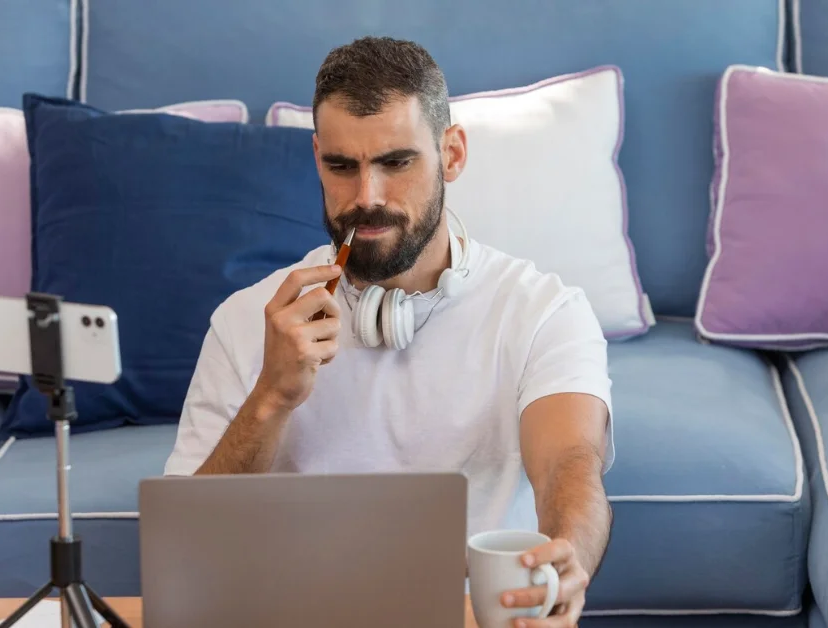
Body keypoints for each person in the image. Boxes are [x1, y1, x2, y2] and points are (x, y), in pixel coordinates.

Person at [163, 36, 615, 627]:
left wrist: (567, 559)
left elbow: (568, 464)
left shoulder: (544, 312)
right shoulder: (248, 320)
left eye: (396, 162)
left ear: (451, 154)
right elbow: (188, 551)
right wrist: (272, 397)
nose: (366, 198)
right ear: (317, 158)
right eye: (341, 167)